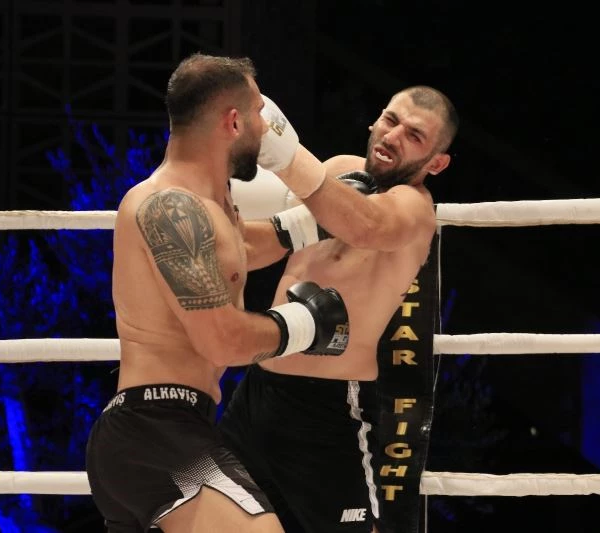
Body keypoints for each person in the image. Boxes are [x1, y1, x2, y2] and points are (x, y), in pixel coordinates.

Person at [85, 53, 351, 533]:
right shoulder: (169, 206)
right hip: (156, 432)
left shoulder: (210, 206)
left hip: (162, 429)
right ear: (233, 122)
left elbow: (238, 250)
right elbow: (222, 341)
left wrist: (318, 220)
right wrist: (306, 325)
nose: (266, 128)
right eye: (258, 114)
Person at [219, 86, 459, 532]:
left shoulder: (414, 209)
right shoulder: (335, 173)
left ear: (436, 163)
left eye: (414, 136)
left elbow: (366, 225)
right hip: (256, 393)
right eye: (390, 120)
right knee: (210, 517)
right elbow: (259, 246)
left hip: (327, 409)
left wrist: (286, 154)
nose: (393, 136)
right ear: (375, 120)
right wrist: (210, 217)